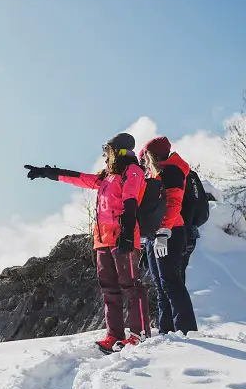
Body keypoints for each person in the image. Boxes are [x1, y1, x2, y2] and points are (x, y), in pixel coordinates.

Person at [25, 132, 151, 354]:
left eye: (108, 151)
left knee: (131, 286)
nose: (105, 155)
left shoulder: (132, 171)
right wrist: (49, 173)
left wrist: (128, 234)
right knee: (109, 289)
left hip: (123, 236)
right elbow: (80, 178)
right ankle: (115, 335)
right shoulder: (107, 176)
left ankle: (139, 335)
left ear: (119, 151)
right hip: (102, 239)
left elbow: (130, 201)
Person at [139, 136, 198, 334]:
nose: (144, 159)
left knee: (171, 284)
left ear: (152, 155)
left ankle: (186, 331)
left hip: (172, 232)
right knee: (162, 286)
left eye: (146, 155)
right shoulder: (160, 173)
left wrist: (164, 232)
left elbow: (174, 203)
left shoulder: (172, 171)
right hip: (158, 235)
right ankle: (167, 331)